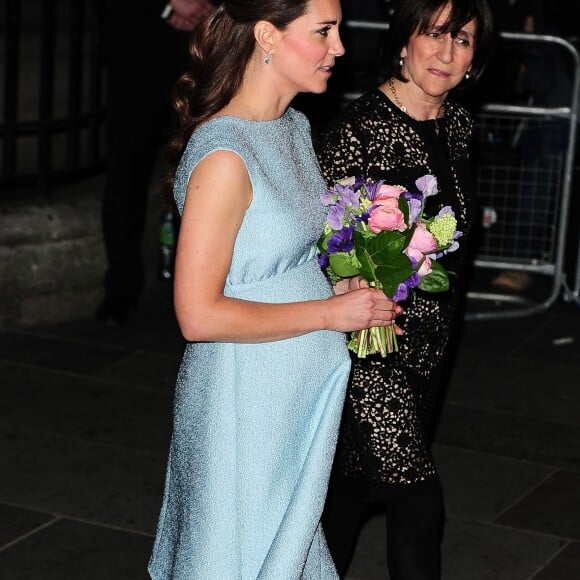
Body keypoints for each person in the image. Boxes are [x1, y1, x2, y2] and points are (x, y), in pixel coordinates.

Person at [147, 1, 401, 578]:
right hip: (244, 405)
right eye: (323, 31)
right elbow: (197, 315)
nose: (340, 48)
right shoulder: (223, 157)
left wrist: (348, 281)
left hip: (295, 401)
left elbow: (283, 257)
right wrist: (331, 313)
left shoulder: (291, 127)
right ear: (267, 35)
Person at [315, 0, 495, 578]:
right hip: (368, 351)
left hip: (432, 343)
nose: (447, 53)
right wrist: (350, 279)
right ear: (402, 41)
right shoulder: (358, 130)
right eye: (434, 34)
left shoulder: (460, 125)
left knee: (347, 498)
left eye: (463, 39)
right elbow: (319, 240)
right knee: (418, 500)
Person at [97, 0, 215, 325]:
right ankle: (121, 286)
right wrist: (168, 4)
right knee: (127, 171)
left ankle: (193, 289)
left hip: (203, 45)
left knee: (200, 173)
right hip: (138, 41)